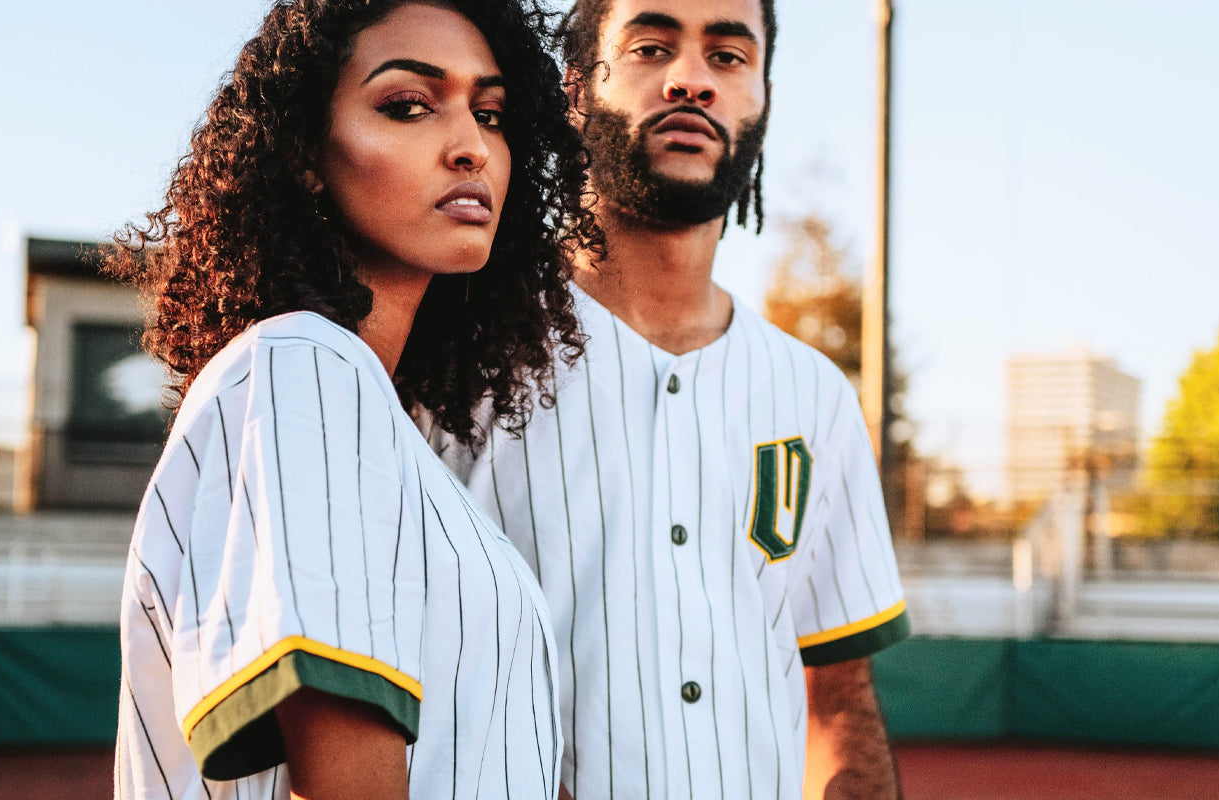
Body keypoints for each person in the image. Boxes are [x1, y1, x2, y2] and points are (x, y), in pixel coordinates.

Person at [108, 0, 600, 797]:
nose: (472, 147)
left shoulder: (381, 421)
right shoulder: (301, 365)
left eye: (492, 113)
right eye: (408, 106)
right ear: (304, 151)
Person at [450, 0, 908, 798]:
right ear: (574, 92)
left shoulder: (815, 395)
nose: (692, 80)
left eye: (729, 56)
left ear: (762, 101)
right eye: (652, 47)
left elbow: (838, 698)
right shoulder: (455, 356)